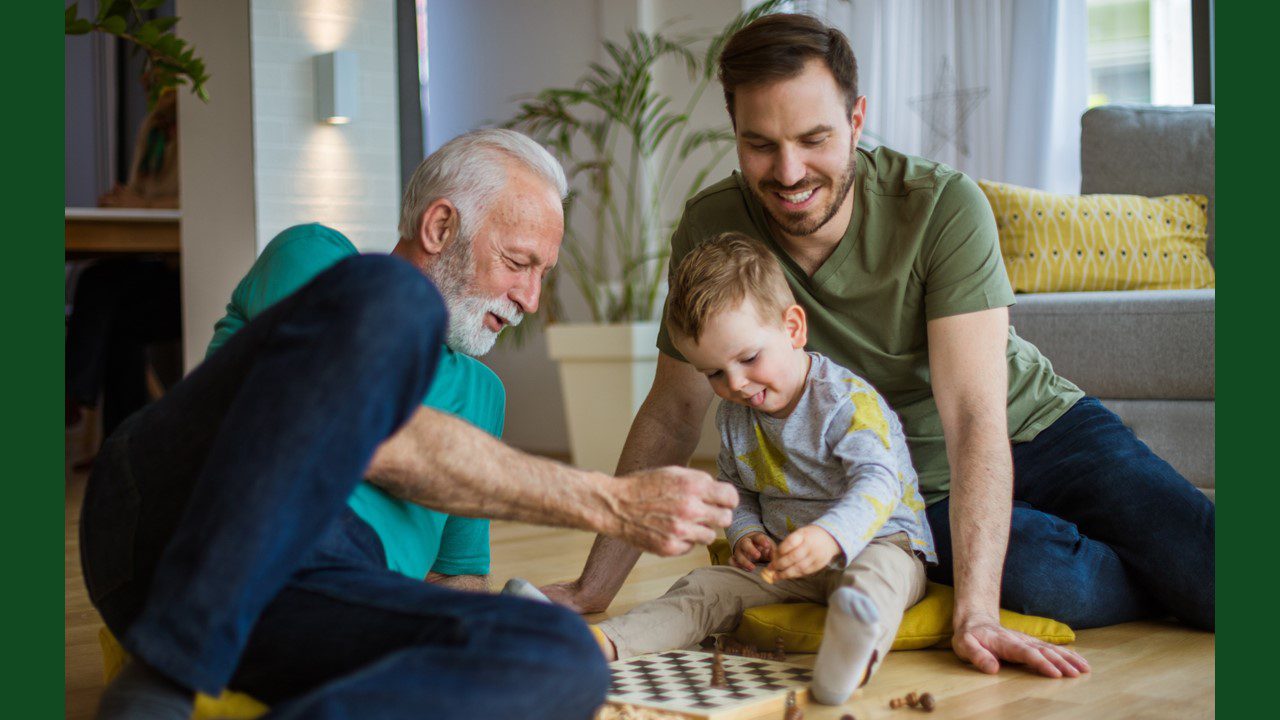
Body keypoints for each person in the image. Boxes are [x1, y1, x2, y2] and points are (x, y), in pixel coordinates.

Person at [544, 13, 1213, 679]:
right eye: (760, 145)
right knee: (1043, 577)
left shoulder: (939, 205)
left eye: (814, 138)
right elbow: (672, 410)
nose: (789, 171)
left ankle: (1161, 563)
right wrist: (593, 588)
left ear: (857, 119)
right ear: (736, 133)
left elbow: (974, 415)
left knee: (1216, 576)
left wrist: (975, 612)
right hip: (909, 480)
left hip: (1037, 423)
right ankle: (1129, 569)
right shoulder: (713, 224)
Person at [80, 129, 738, 720]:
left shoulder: (483, 394)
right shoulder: (322, 264)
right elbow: (372, 439)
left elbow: (454, 578)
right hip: (178, 516)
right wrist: (611, 501)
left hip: (316, 594)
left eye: (542, 276)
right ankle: (167, 675)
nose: (531, 300)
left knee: (563, 654)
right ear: (440, 225)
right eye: (518, 263)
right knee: (398, 298)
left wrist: (486, 617)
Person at [590, 234, 939, 704]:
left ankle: (847, 659)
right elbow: (737, 489)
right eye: (713, 373)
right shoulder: (736, 414)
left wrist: (830, 537)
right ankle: (604, 643)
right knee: (702, 587)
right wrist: (746, 532)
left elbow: (879, 484)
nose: (735, 383)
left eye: (748, 358)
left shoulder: (845, 403)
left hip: (879, 543)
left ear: (793, 328)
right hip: (785, 562)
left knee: (873, 585)